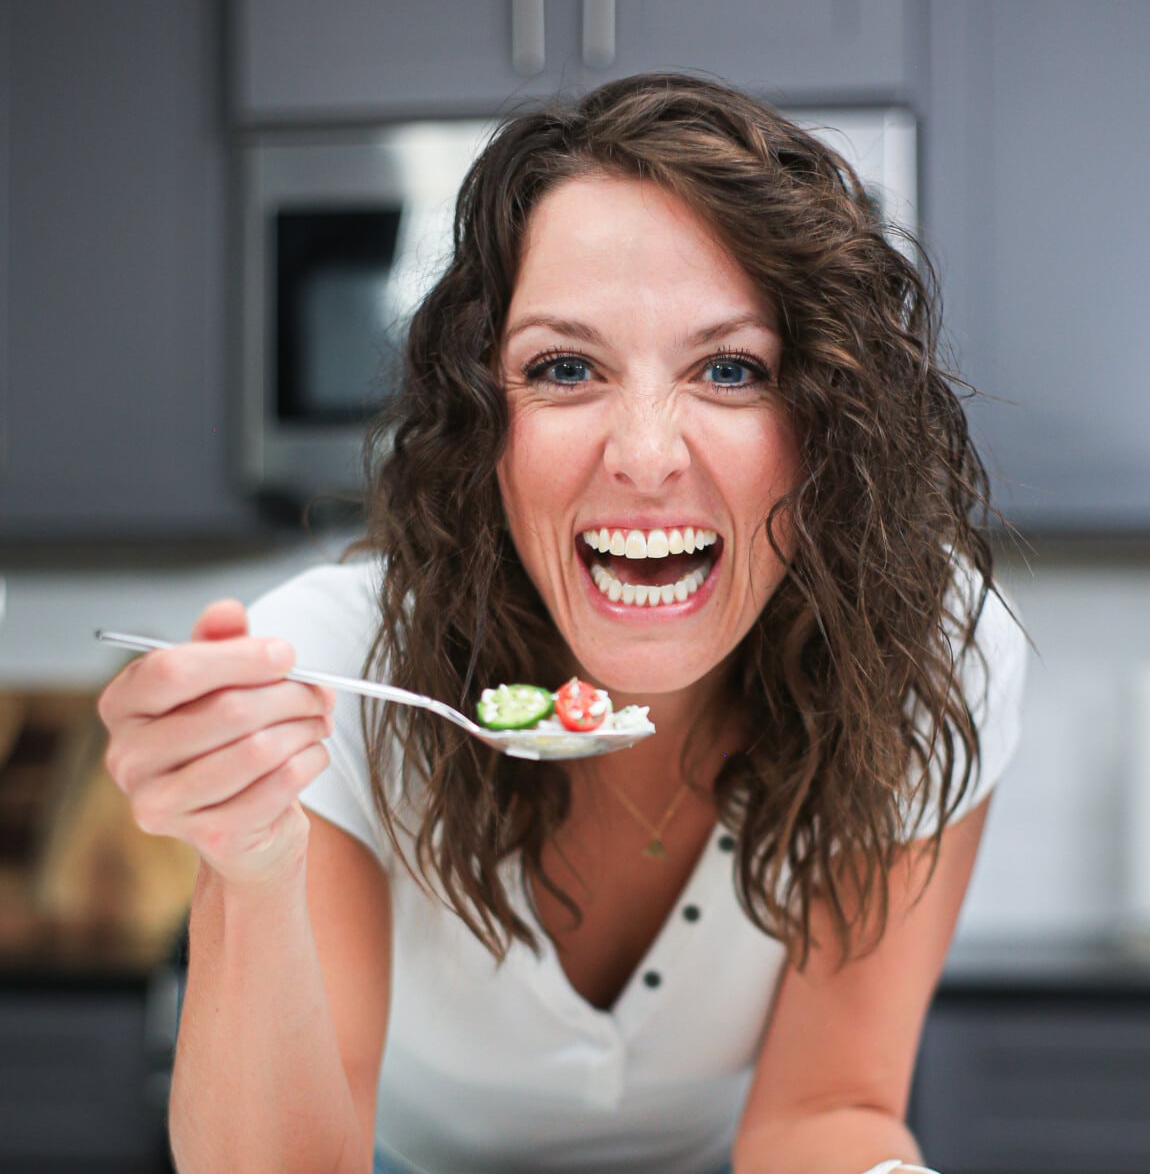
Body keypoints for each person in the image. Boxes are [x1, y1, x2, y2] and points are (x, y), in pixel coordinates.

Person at [98, 73, 1026, 1174]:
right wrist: (248, 866)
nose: (642, 454)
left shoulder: (924, 657)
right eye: (564, 368)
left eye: (730, 369)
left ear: (826, 426)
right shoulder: (330, 668)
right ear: (483, 423)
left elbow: (823, 1113)